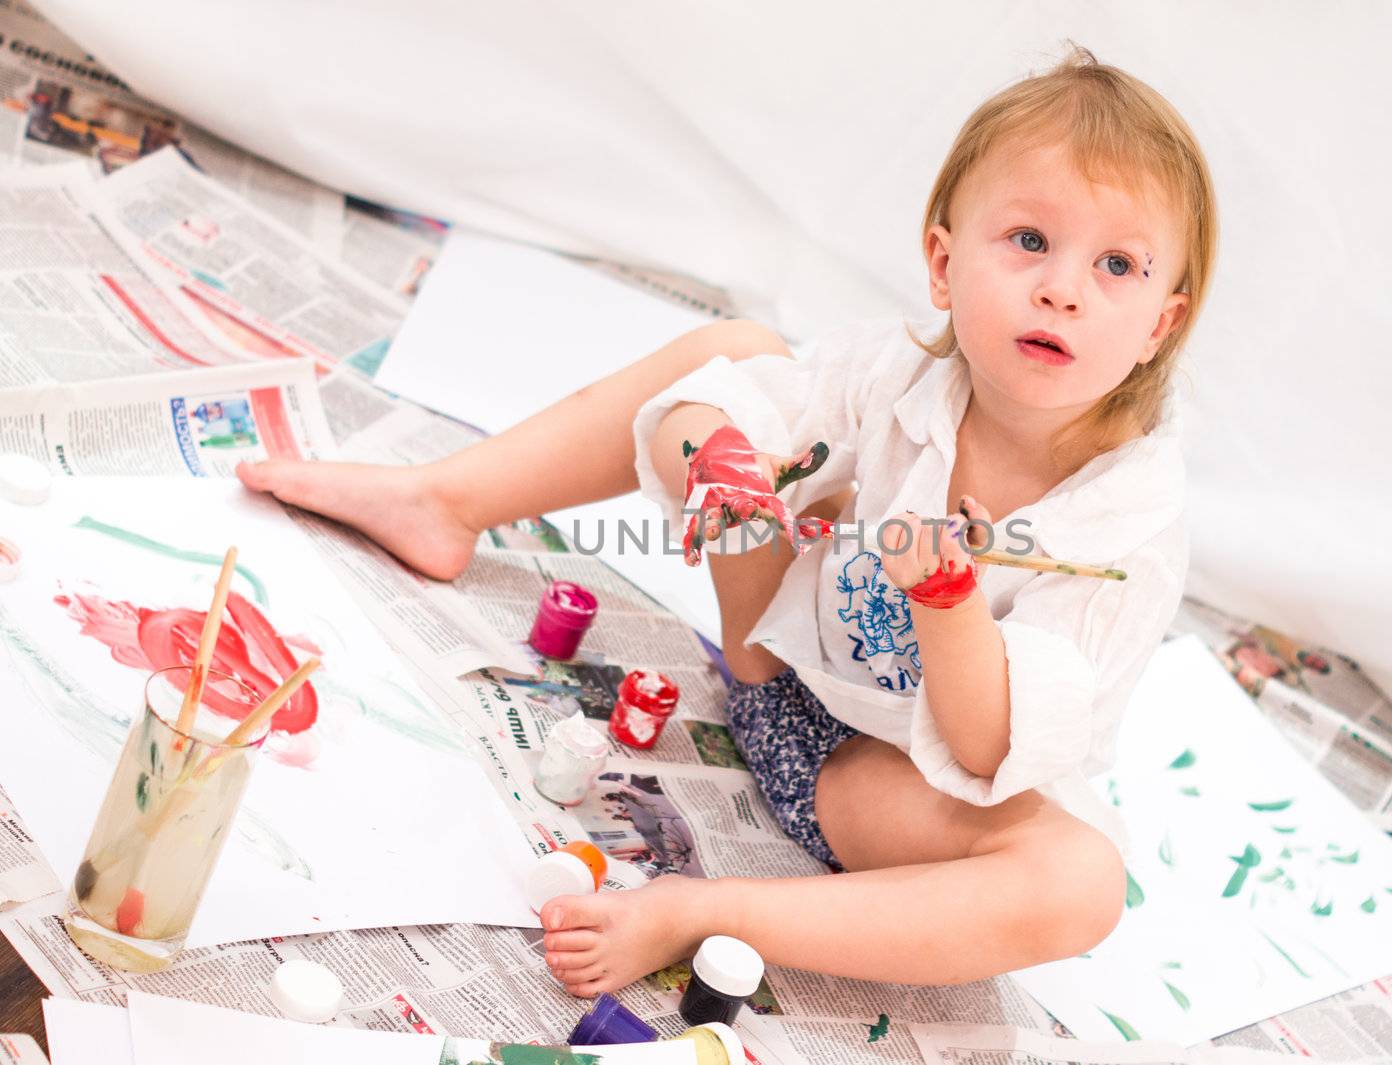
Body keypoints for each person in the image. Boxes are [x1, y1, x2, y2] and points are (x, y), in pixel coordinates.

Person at [237, 44, 1217, 993]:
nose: (1062, 288)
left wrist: (950, 599)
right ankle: (441, 500)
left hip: (877, 788)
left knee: (1078, 883)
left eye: (1117, 267)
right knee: (736, 354)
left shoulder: (1126, 532)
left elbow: (979, 751)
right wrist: (720, 455)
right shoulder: (894, 373)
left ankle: (702, 911)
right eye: (1031, 242)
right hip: (766, 659)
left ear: (1160, 325)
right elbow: (709, 425)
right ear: (942, 262)